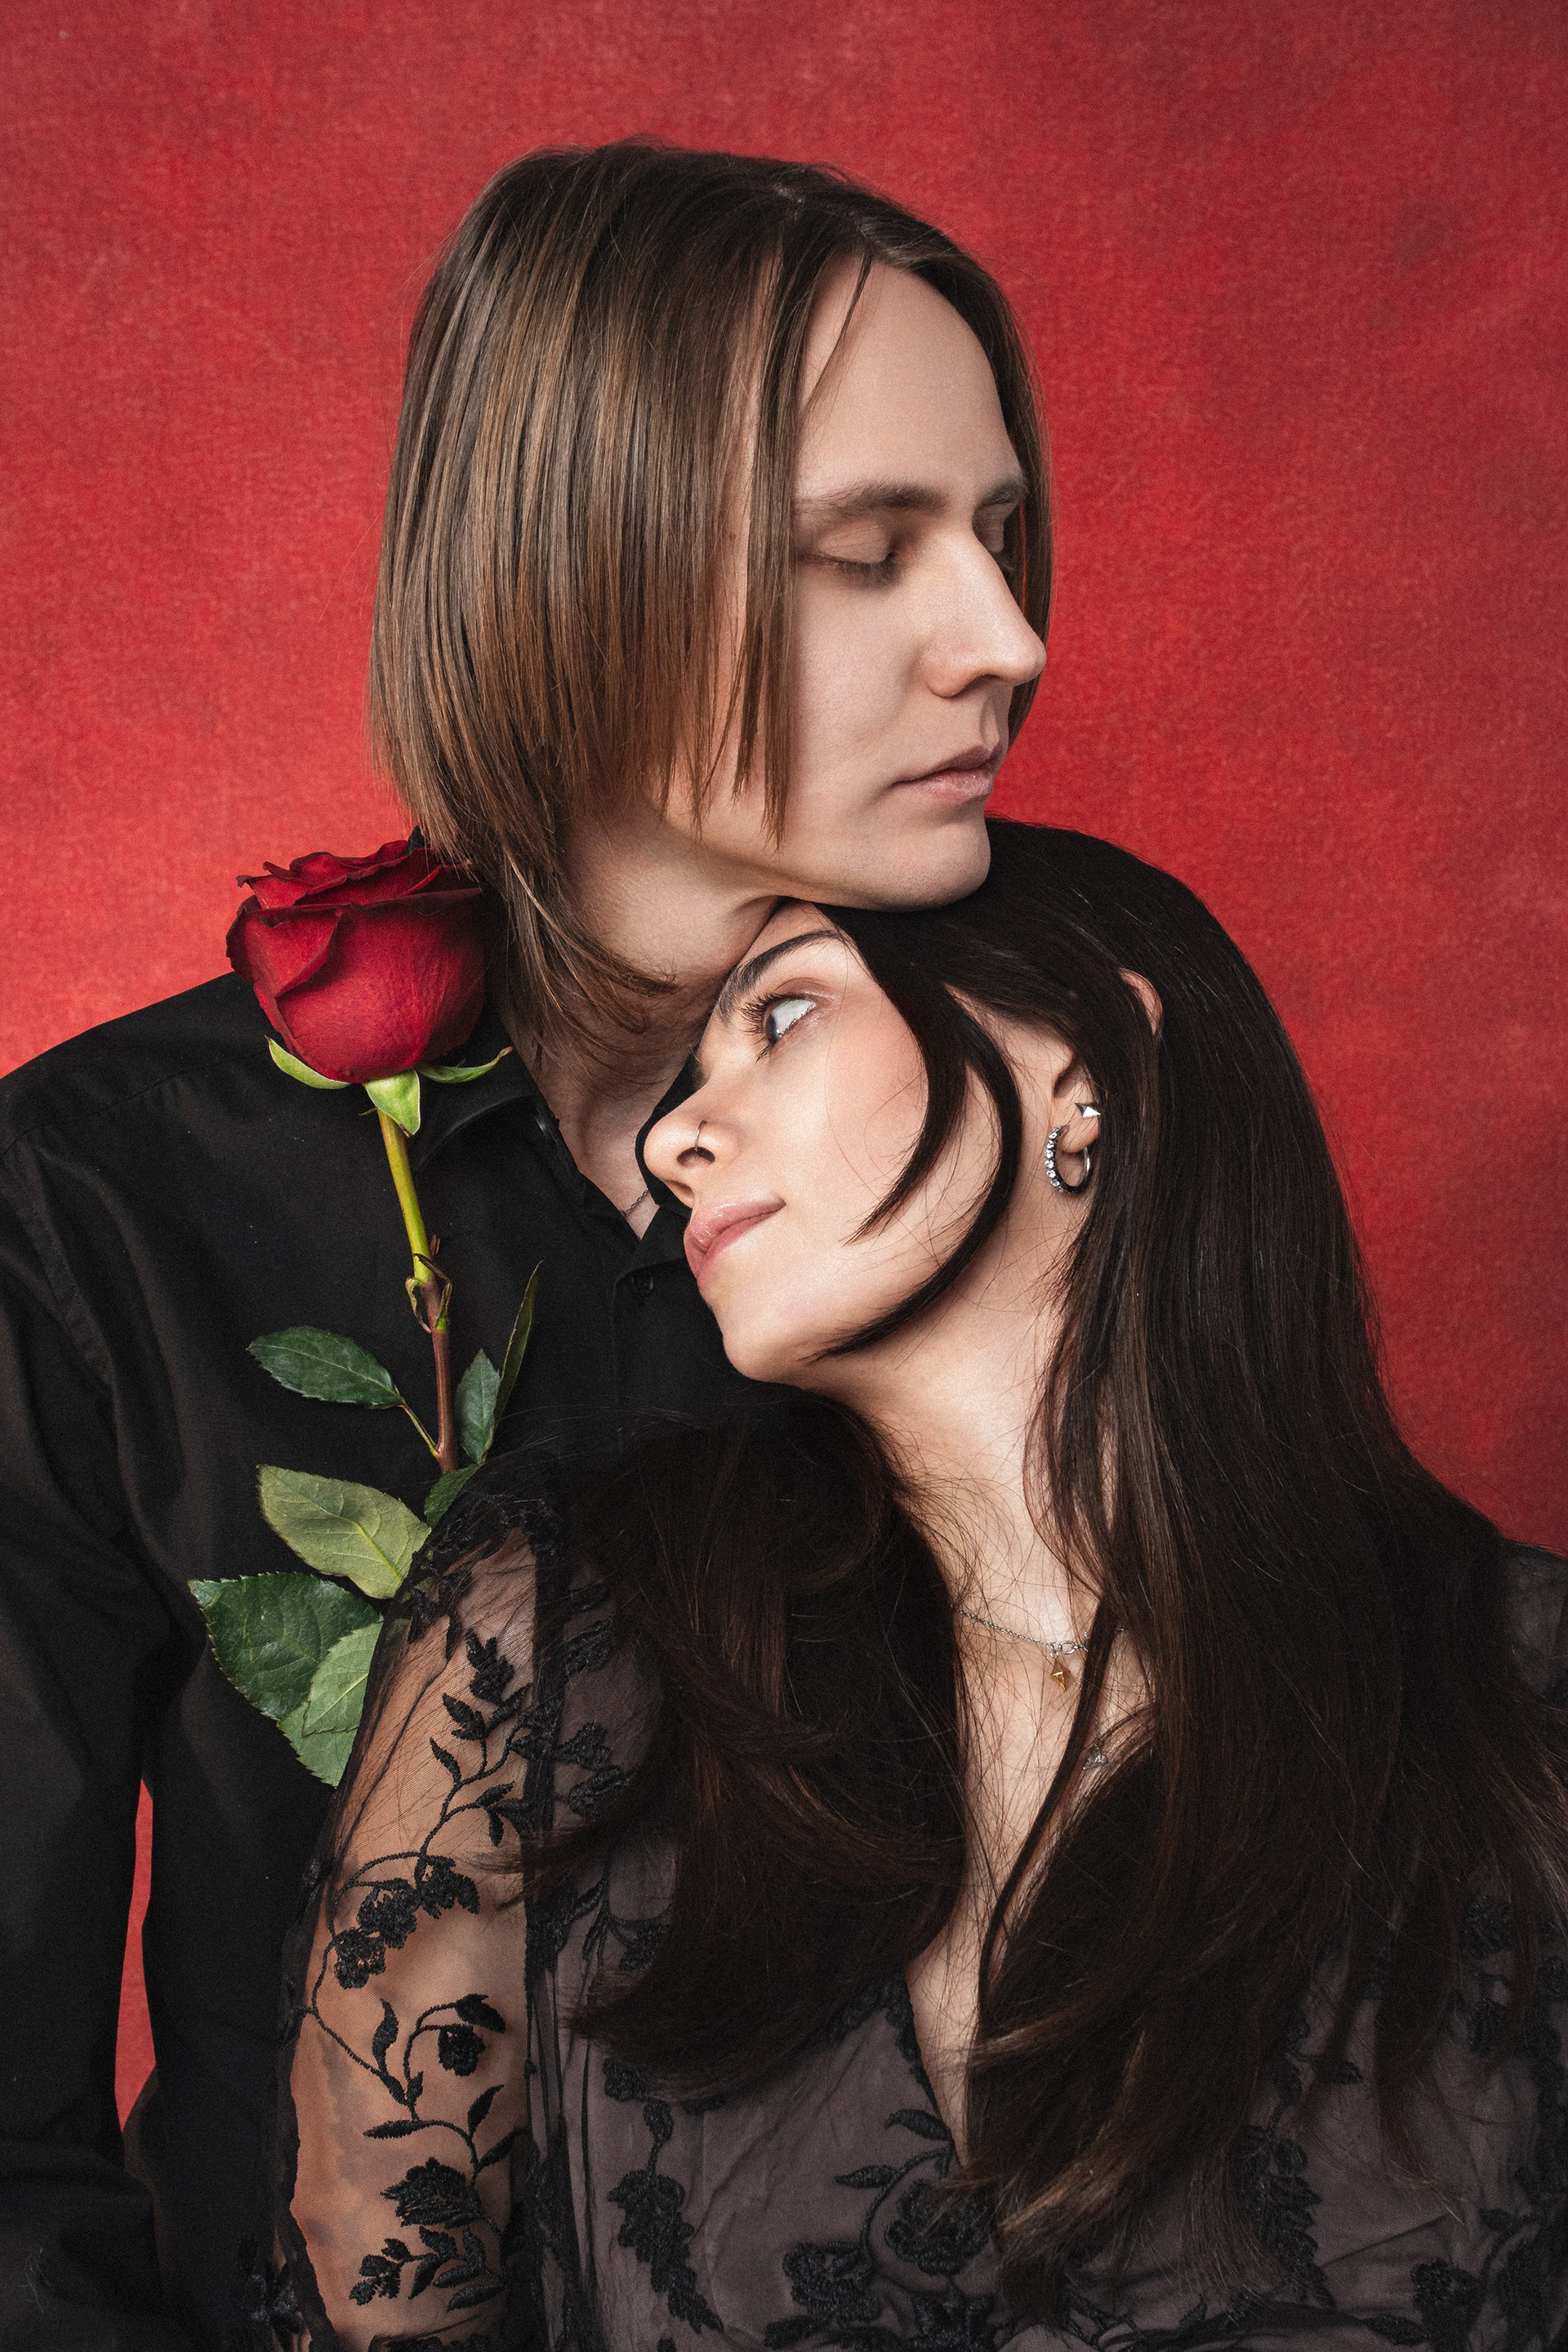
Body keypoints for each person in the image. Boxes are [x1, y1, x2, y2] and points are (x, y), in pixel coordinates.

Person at [0, 145, 1048, 2347]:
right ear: (584, 571)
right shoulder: (105, 1204)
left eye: (1000, 536)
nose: (1006, 643)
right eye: (869, 554)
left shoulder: (1076, 1105)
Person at [274, 822, 1567, 2350]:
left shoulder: (1522, 1693)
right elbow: (363, 2284)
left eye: (783, 1013)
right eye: (688, 1075)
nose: (675, 1139)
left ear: (1080, 1067)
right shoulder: (563, 1628)